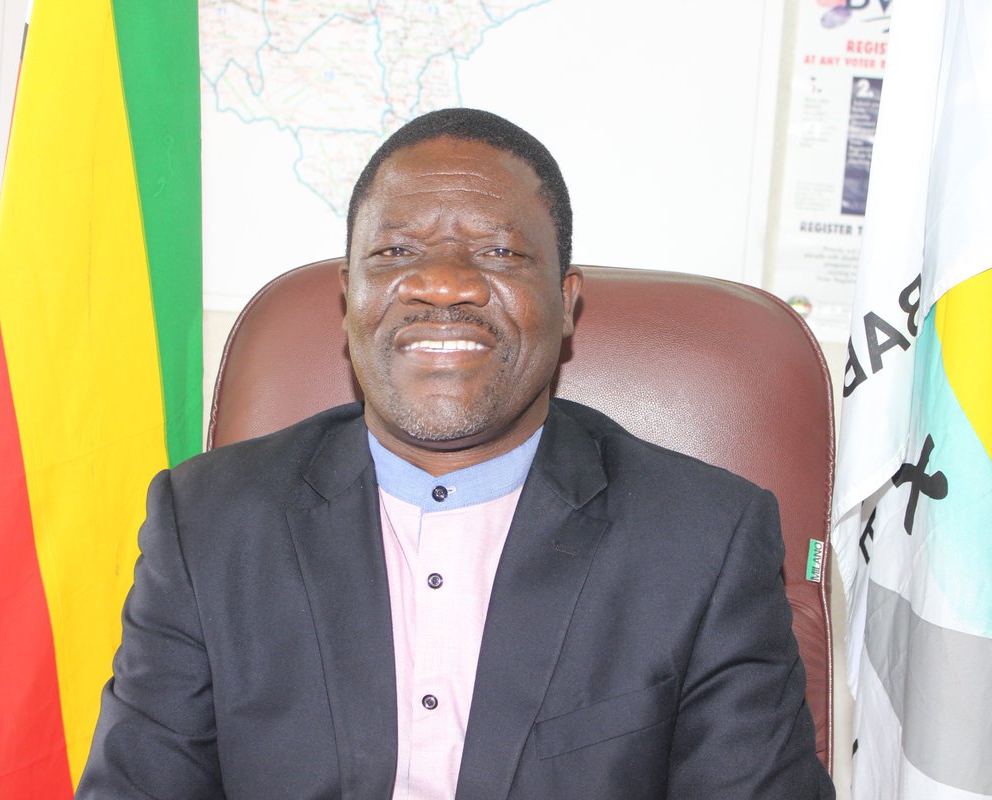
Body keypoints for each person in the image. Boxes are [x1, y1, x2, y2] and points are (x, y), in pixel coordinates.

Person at [77, 108, 834, 799]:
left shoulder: (703, 541)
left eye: (499, 252)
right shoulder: (206, 523)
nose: (442, 285)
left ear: (566, 302)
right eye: (395, 251)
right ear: (349, 297)